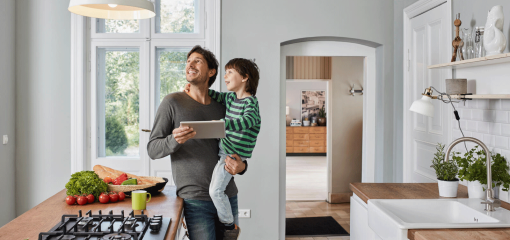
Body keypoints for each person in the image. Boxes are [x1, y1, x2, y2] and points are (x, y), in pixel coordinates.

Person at [147, 45, 248, 240]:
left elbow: (239, 144)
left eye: (197, 60)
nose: (190, 64)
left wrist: (242, 167)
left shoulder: (224, 105)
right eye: (188, 61)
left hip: (227, 195)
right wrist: (174, 139)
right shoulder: (172, 102)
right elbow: (153, 149)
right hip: (195, 200)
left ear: (211, 72)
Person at [185, 58, 261, 240]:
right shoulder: (230, 98)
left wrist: (224, 124)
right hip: (225, 150)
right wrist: (192, 89)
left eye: (229, 73)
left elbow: (248, 121)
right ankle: (227, 222)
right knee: (216, 190)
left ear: (244, 78)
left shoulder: (251, 103)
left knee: (215, 191)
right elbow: (213, 95)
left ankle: (228, 225)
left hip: (230, 156)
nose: (225, 77)